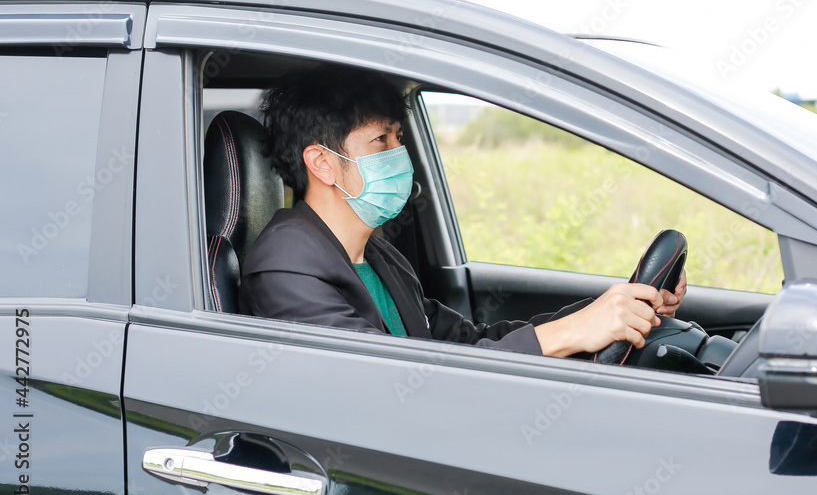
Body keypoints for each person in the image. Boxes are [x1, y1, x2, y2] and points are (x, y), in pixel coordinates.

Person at [239, 65, 687, 357]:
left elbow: (467, 343)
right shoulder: (286, 265)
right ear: (321, 163)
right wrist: (571, 334)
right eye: (381, 141)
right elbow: (386, 384)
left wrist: (614, 311)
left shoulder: (375, 255)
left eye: (399, 137)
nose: (401, 153)